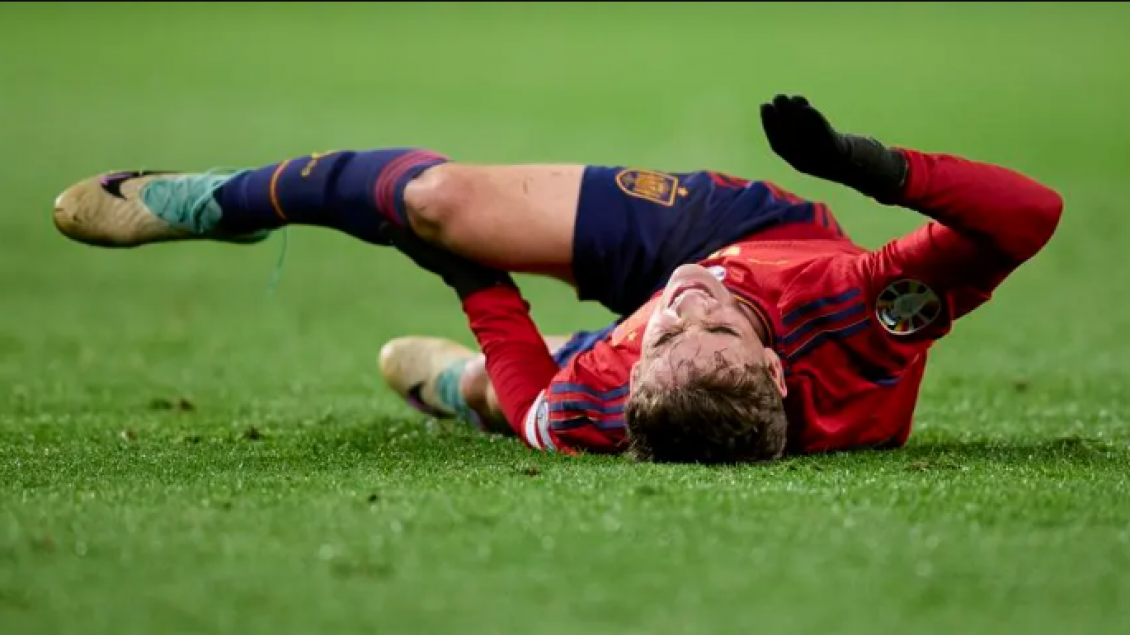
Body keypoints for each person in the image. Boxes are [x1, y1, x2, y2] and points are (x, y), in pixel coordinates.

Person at [52, 95, 1064, 463]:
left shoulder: (604, 400)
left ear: (636, 376)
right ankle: (218, 202)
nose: (683, 303)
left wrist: (476, 288)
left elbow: (541, 404)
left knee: (502, 394)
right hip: (756, 235)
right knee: (439, 199)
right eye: (705, 327)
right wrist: (863, 164)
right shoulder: (856, 313)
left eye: (666, 332)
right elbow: (1029, 213)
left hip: (608, 370)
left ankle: (452, 387)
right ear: (773, 366)